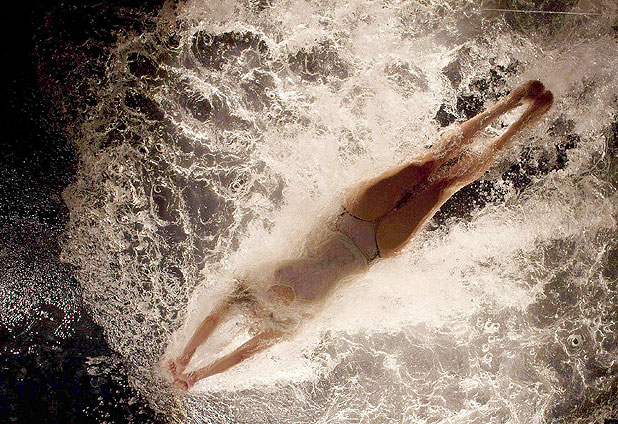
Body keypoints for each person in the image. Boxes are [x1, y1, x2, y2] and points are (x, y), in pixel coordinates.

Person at [165, 80, 553, 390]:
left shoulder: (247, 288)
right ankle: (519, 126)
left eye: (245, 327)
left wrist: (186, 357)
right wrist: (198, 377)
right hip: (375, 249)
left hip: (350, 217)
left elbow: (214, 318)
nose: (248, 329)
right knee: (442, 187)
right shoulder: (285, 325)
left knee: (424, 166)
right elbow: (241, 357)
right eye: (250, 331)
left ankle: (507, 103)